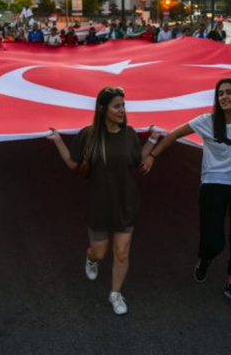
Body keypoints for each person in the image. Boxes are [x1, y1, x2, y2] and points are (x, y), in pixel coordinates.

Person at [140, 78, 231, 309]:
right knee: (212, 240)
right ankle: (206, 258)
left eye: (229, 92)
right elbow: (173, 134)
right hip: (214, 185)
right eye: (220, 94)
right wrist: (153, 156)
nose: (223, 97)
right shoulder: (206, 122)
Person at [47, 87, 159, 316]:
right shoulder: (88, 135)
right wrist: (58, 140)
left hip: (125, 203)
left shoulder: (128, 134)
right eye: (117, 105)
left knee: (121, 252)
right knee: (100, 250)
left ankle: (115, 293)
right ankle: (91, 259)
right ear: (103, 109)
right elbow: (72, 163)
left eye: (123, 105)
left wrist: (155, 139)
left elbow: (137, 160)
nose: (122, 110)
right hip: (98, 204)